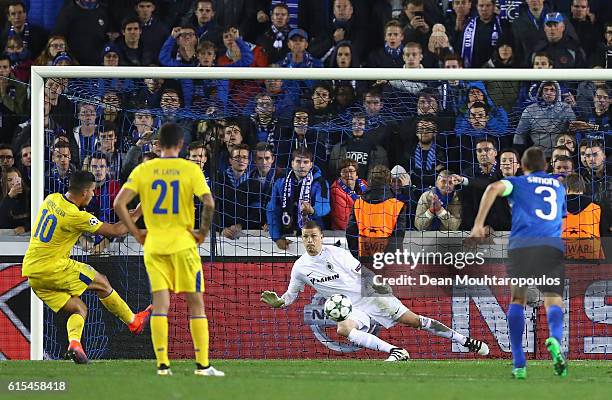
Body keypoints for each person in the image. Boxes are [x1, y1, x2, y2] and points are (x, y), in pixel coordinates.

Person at [261, 220, 490, 361]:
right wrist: (279, 302)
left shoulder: (336, 253)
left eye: (313, 236)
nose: (310, 241)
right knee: (343, 329)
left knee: (414, 321)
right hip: (351, 308)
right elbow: (291, 296)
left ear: (321, 237)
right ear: (301, 239)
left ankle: (464, 340)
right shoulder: (300, 268)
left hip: (370, 295)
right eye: (305, 237)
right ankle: (396, 351)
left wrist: (378, 284)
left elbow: (364, 273)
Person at [113, 122, 223, 377]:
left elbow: (119, 203)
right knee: (195, 303)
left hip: (154, 244)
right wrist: (203, 233)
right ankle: (203, 366)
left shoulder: (145, 169)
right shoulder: (189, 169)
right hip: (183, 244)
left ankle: (163, 366)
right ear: (182, 145)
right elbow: (208, 202)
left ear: (159, 145)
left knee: (160, 304)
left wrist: (136, 230)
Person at [21, 170, 151, 364]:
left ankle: (74, 344)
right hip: (52, 267)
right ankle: (134, 322)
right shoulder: (76, 215)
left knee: (78, 308)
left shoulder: (52, 199)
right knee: (102, 282)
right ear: (84, 192)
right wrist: (140, 210)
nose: (93, 195)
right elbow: (116, 231)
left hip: (32, 273)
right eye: (92, 191)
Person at [468, 146, 568, 379]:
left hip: (522, 246)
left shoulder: (518, 182)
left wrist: (478, 225)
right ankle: (555, 338)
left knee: (517, 299)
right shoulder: (559, 187)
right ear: (546, 166)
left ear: (523, 167)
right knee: (553, 299)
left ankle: (519, 363)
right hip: (551, 247)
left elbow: (493, 188)